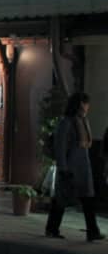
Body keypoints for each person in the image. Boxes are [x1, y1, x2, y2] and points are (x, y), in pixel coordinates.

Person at [46, 92, 104, 242]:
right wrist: (63, 168)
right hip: (70, 168)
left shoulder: (83, 121)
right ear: (79, 104)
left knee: (88, 200)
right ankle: (52, 229)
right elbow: (60, 147)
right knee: (61, 199)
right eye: (85, 103)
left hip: (83, 168)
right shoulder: (66, 122)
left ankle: (93, 231)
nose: (87, 106)